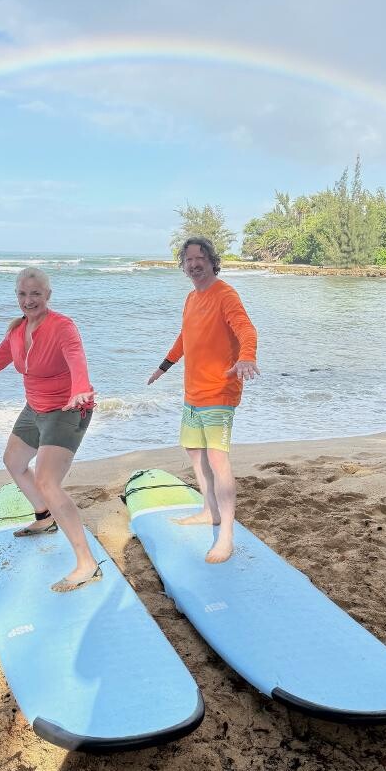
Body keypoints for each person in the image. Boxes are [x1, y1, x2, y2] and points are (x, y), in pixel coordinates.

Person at [0, 267, 100, 592]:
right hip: (34, 408)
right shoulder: (17, 330)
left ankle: (86, 563)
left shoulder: (63, 326)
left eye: (36, 293)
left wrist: (80, 387)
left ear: (48, 295)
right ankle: (44, 517)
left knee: (48, 481)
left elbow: (76, 357)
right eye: (23, 294)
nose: (29, 300)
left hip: (68, 409)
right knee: (14, 461)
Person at [148, 237, 258, 564]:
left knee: (218, 460)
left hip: (219, 393)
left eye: (200, 258)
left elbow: (246, 330)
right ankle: (209, 511)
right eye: (188, 260)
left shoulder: (225, 294)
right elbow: (185, 337)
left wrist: (247, 358)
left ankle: (226, 535)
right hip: (192, 394)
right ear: (183, 266)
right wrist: (164, 366)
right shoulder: (191, 299)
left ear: (212, 261)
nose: (194, 264)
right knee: (196, 455)